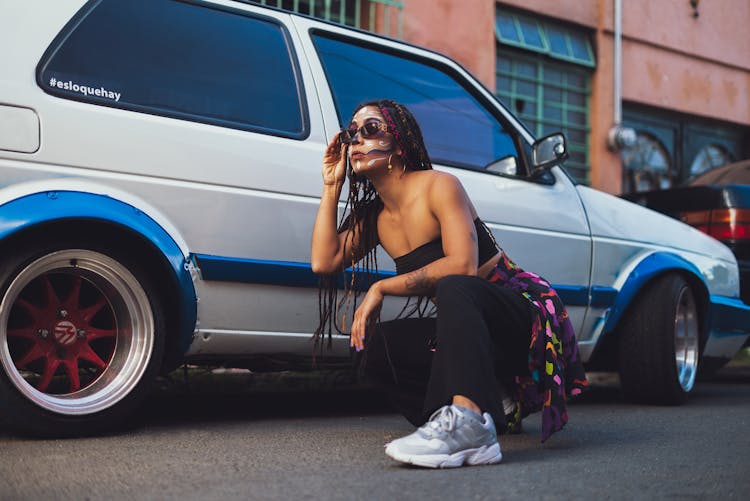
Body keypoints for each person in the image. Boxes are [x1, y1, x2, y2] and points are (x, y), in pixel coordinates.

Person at [311, 99, 588, 468]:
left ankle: (470, 421)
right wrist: (332, 185)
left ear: (399, 140)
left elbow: (463, 264)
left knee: (455, 284)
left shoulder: (440, 186)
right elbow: (324, 261)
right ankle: (478, 409)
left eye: (370, 129)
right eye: (351, 133)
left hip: (521, 316)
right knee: (374, 347)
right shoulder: (375, 218)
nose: (357, 140)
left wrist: (381, 288)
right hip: (470, 335)